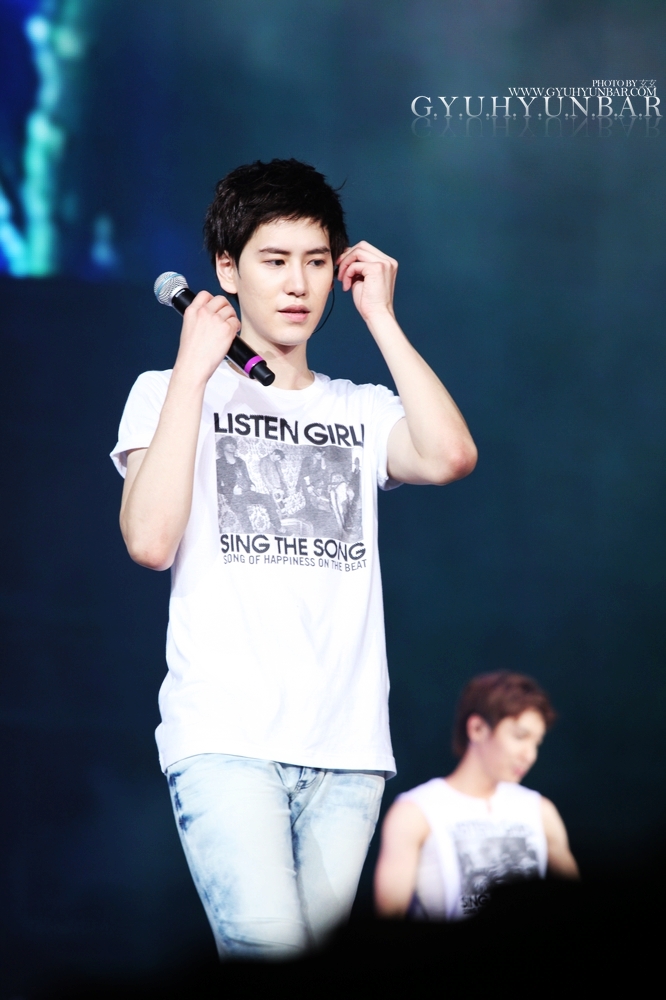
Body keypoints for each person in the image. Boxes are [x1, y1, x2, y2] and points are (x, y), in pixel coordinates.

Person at [110, 158, 477, 958]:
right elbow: (150, 541)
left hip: (347, 750)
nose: (297, 284)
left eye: (315, 261)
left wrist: (381, 318)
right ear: (226, 270)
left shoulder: (359, 409)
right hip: (227, 739)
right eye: (274, 260)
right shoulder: (166, 392)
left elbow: (450, 455)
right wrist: (193, 373)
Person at [374, 671, 579, 921]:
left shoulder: (540, 810)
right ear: (477, 728)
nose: (530, 755)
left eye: (536, 743)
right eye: (520, 736)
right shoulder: (415, 812)